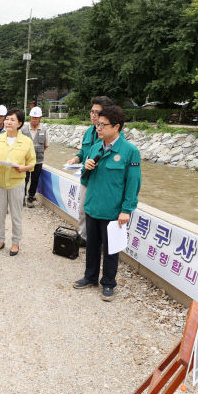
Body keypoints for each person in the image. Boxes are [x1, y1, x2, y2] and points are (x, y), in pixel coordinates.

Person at [73, 105, 141, 301]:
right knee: (92, 245)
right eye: (98, 124)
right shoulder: (95, 147)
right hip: (93, 206)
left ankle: (109, 283)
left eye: (103, 125)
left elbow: (133, 183)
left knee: (111, 250)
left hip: (113, 212)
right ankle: (90, 277)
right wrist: (85, 168)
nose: (98, 128)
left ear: (116, 127)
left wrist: (126, 209)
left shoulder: (129, 151)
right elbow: (84, 180)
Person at [65, 96, 114, 245]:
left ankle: (98, 242)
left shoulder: (110, 136)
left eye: (97, 112)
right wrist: (76, 159)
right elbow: (83, 152)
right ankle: (84, 238)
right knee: (83, 210)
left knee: (97, 214)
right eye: (92, 111)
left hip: (100, 182)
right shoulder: (89, 132)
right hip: (86, 178)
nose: (93, 115)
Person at [0, 108, 35, 256]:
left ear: (19, 123)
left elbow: (32, 163)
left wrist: (23, 168)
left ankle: (15, 243)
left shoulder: (26, 141)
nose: (8, 122)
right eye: (7, 119)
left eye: (12, 119)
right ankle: (0, 240)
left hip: (16, 184)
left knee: (16, 215)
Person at [21, 106, 48, 208]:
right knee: (24, 179)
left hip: (38, 161)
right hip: (25, 161)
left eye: (36, 118)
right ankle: (22, 197)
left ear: (40, 118)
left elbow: (46, 145)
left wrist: (36, 153)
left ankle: (31, 197)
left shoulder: (44, 130)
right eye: (32, 117)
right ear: (30, 117)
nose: (34, 119)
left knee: (35, 180)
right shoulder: (23, 130)